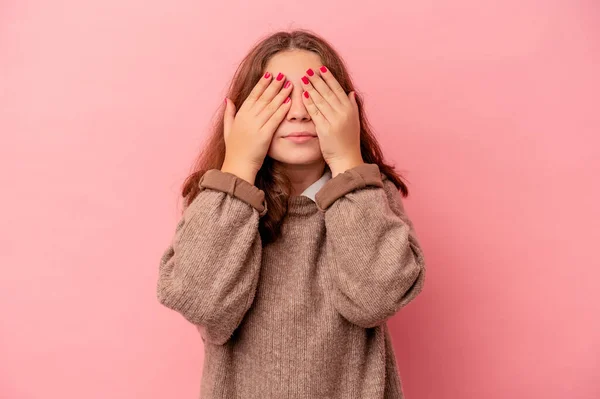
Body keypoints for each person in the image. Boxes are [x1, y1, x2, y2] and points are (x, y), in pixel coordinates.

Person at [156, 29, 427, 399]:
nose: (299, 113)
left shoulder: (372, 197)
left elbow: (374, 301)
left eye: (316, 97)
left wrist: (348, 162)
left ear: (347, 111)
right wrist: (238, 165)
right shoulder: (217, 204)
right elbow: (201, 303)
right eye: (279, 97)